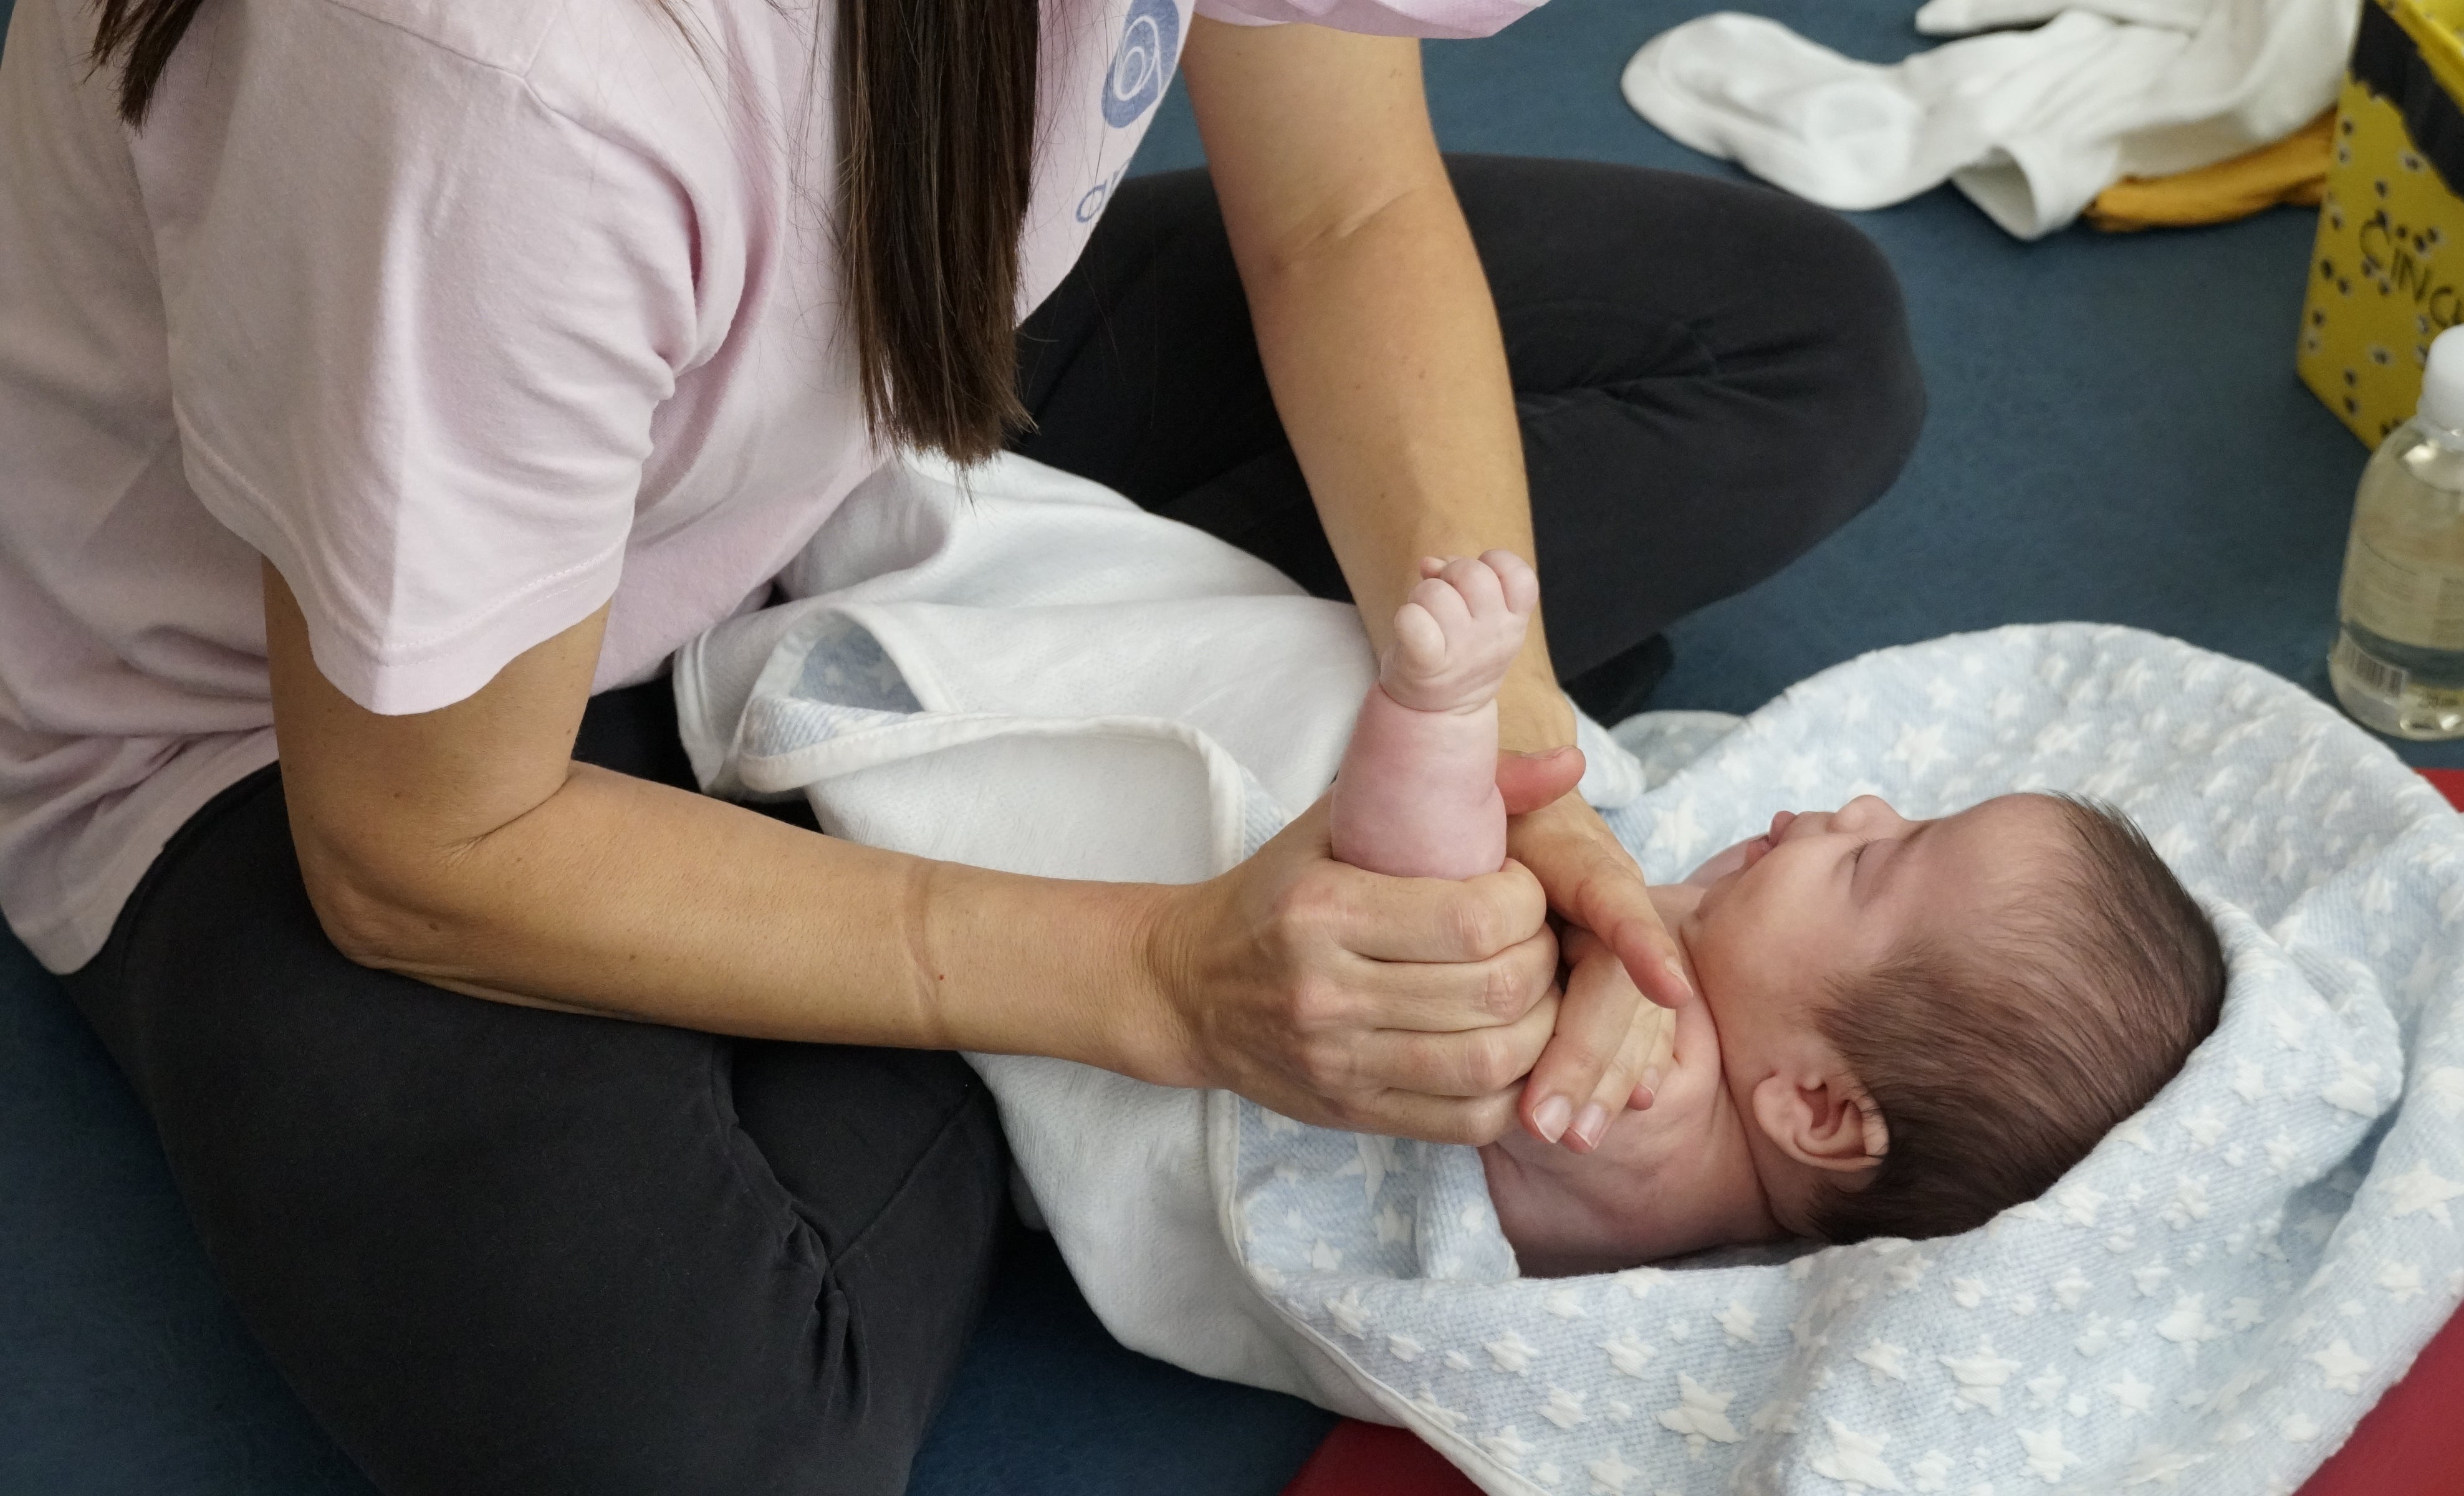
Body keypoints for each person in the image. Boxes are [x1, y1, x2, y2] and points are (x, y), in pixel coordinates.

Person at [0, 0, 1922, 1489]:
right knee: (708, 1444)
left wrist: (1514, 742)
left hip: (840, 446)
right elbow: (417, 846)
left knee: (1796, 347)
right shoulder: (509, 81)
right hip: (319, 736)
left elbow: (1340, 218)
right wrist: (1158, 987)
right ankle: (916, 893)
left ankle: (887, 794)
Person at [1320, 554, 2228, 1274]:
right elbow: (1707, 911)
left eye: (1869, 864)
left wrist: (1436, 720)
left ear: (1818, 1107)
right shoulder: (1744, 1020)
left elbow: (1432, 929)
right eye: (1911, 820)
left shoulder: (1645, 1097)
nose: (1867, 807)